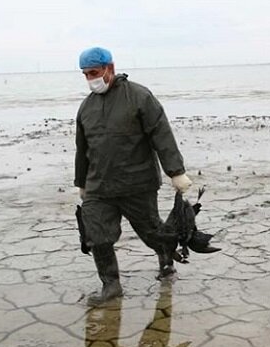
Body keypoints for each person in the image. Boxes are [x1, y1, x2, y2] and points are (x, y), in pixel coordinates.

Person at [74, 47, 192, 306]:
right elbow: (82, 149)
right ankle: (111, 286)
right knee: (97, 236)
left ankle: (166, 261)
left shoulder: (139, 97)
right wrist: (81, 183)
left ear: (110, 68)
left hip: (137, 183)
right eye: (85, 74)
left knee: (152, 233)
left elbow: (161, 133)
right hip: (99, 187)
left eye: (94, 72)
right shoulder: (86, 107)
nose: (90, 78)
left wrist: (176, 172)